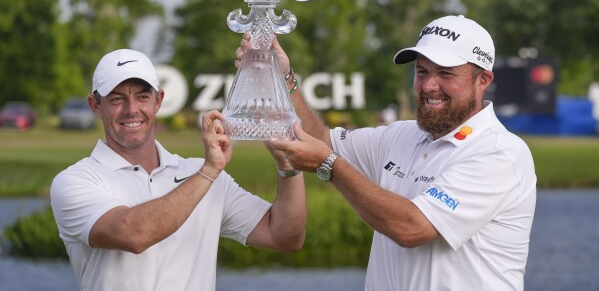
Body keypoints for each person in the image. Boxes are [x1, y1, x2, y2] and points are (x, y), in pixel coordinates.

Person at [237, 15, 537, 290]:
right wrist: (283, 78)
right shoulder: (401, 134)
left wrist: (330, 165)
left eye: (445, 73)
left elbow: (412, 228)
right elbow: (316, 139)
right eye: (422, 71)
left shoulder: (499, 154)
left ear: (483, 80)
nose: (429, 85)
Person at [50, 49, 306, 291]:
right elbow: (133, 234)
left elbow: (284, 236)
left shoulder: (203, 175)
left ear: (158, 100)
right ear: (95, 105)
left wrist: (289, 166)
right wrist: (208, 171)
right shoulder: (75, 181)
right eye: (117, 99)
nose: (131, 109)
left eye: (142, 96)